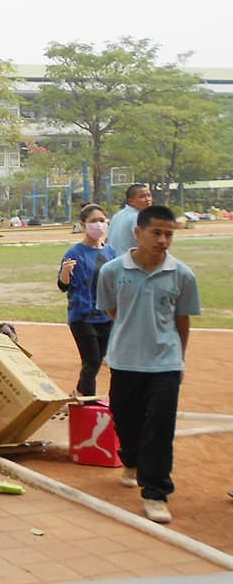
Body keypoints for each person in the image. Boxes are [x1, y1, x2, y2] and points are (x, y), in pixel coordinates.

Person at [96, 205, 201, 524]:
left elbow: (182, 321)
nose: (163, 240)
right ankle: (130, 458)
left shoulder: (182, 274)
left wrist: (177, 358)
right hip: (125, 361)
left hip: (165, 364)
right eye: (156, 233)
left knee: (160, 427)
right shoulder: (112, 271)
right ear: (137, 232)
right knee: (125, 420)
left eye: (169, 234)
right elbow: (113, 311)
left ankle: (156, 493)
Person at [57, 203, 117, 396]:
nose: (98, 225)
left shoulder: (111, 253)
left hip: (106, 316)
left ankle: (80, 394)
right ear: (83, 225)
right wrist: (65, 273)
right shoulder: (74, 253)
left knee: (98, 360)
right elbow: (63, 286)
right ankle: (87, 401)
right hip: (82, 316)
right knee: (91, 361)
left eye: (101, 220)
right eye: (93, 221)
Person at [106, 183, 153, 256]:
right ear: (130, 201)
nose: (148, 199)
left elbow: (107, 241)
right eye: (142, 196)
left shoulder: (117, 215)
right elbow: (147, 246)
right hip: (128, 263)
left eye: (149, 195)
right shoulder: (138, 217)